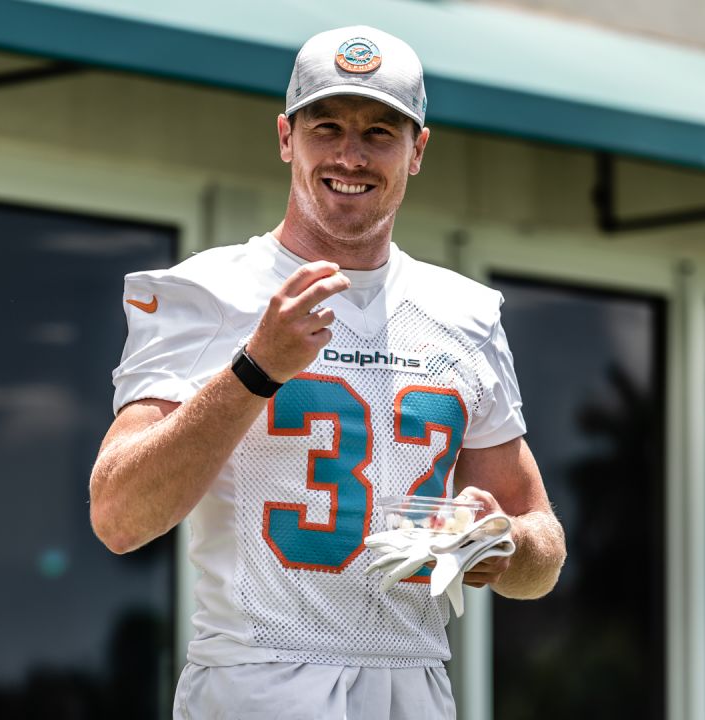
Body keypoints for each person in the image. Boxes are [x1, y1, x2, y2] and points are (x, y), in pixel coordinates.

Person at [90, 25, 566, 718]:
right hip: (257, 682)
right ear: (286, 138)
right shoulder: (211, 291)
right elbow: (118, 515)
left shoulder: (464, 313)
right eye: (327, 126)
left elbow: (542, 547)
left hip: (415, 683)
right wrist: (256, 370)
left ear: (418, 149)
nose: (350, 153)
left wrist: (502, 541)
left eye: (380, 132)